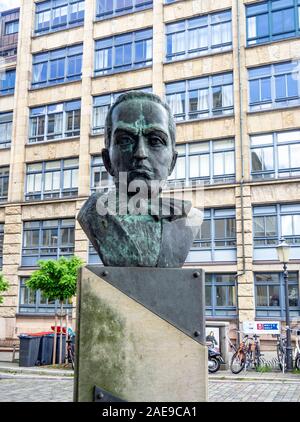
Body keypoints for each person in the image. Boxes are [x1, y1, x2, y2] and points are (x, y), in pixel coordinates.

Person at [78, 91, 203, 267]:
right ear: (107, 161)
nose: (140, 153)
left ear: (172, 162)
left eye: (155, 140)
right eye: (125, 140)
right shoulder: (95, 212)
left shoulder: (189, 218)